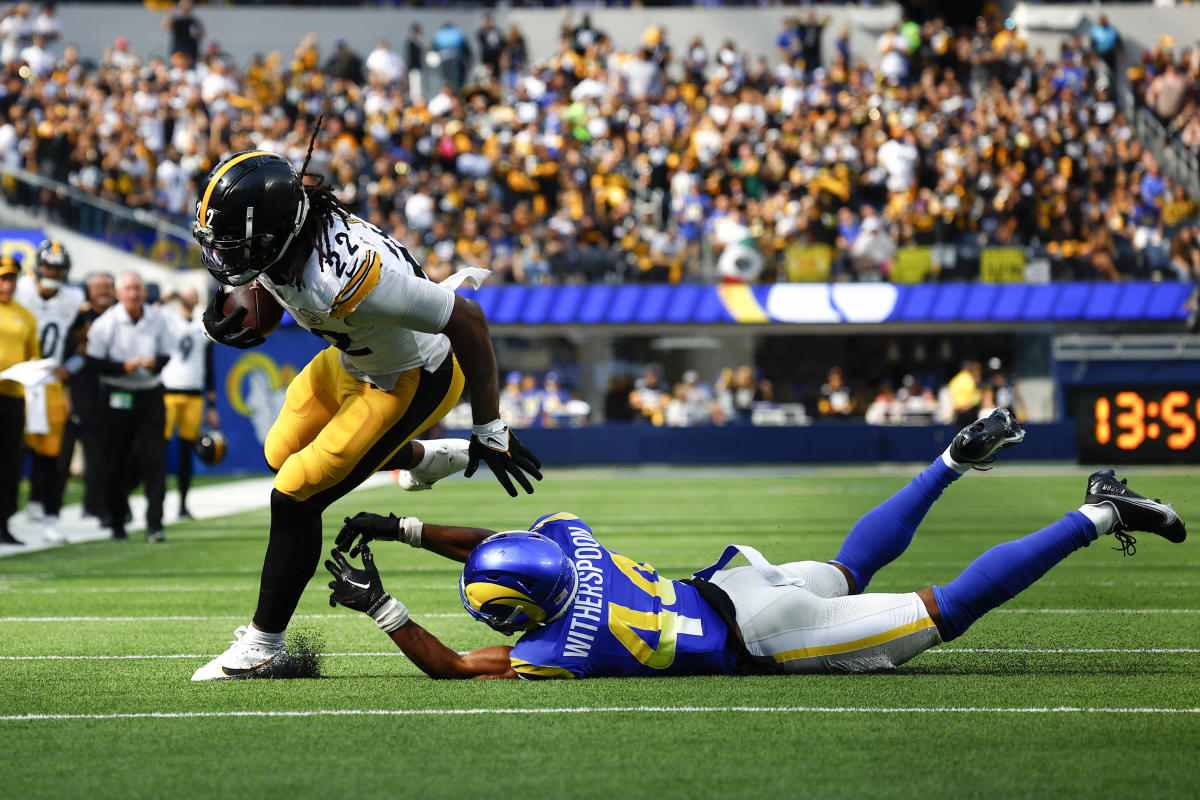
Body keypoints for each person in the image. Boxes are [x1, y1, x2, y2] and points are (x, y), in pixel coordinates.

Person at [320, 410, 1186, 680]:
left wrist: (378, 605)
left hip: (767, 637)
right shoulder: (566, 535)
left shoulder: (557, 644)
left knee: (944, 609)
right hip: (744, 581)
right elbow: (496, 540)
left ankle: (1100, 514)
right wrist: (400, 528)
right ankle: (949, 461)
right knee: (851, 567)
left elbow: (450, 669)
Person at [189, 138, 541, 681]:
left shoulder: (349, 277)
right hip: (353, 359)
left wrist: (491, 427)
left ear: (274, 233)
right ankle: (422, 458)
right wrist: (248, 301)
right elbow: (274, 259)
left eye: (236, 245)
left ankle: (263, 646)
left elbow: (467, 320)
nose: (224, 258)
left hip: (412, 377)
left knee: (296, 495)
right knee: (279, 453)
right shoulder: (293, 220)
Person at [85, 271, 173, 543]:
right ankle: (117, 519)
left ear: (144, 292)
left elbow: (166, 354)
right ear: (119, 294)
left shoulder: (157, 318)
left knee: (154, 460)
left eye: (138, 288)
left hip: (149, 393)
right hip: (117, 394)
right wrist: (122, 367)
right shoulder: (106, 323)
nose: (134, 294)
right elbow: (93, 362)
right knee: (115, 460)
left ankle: (154, 524)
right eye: (129, 289)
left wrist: (153, 364)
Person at [15, 240, 86, 543]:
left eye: (58, 268)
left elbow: (86, 341)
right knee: (12, 451)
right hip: (16, 381)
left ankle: (48, 516)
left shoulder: (72, 298)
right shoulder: (18, 289)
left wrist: (71, 366)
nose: (52, 272)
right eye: (48, 266)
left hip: (51, 384)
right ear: (37, 267)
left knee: (52, 457)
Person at [58, 272, 114, 523]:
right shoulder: (78, 318)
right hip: (81, 392)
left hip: (111, 392)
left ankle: (99, 504)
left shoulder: (119, 317)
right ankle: (51, 506)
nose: (103, 290)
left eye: (107, 286)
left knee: (104, 454)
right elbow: (69, 359)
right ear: (89, 291)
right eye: (98, 286)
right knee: (64, 455)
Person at [160, 285, 217, 520]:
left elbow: (209, 364)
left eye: (195, 294)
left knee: (186, 452)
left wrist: (212, 404)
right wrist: (167, 296)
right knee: (156, 450)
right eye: (188, 293)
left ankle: (183, 504)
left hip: (194, 394)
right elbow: (151, 313)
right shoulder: (167, 319)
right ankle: (155, 501)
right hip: (167, 392)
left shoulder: (201, 326)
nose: (191, 296)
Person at [0, 255, 37, 546]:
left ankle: (4, 521)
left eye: (10, 278)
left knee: (11, 464)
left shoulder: (25, 315)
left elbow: (32, 356)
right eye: (2, 278)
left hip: (13, 397)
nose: (6, 284)